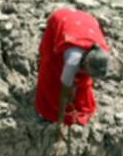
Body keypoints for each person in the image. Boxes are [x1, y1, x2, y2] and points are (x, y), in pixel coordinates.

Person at [34, 7, 112, 142]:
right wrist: (59, 123)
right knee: (50, 70)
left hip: (85, 23)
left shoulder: (101, 53)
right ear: (83, 64)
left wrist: (75, 86)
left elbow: (83, 77)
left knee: (80, 87)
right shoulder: (73, 59)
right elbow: (63, 94)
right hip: (60, 19)